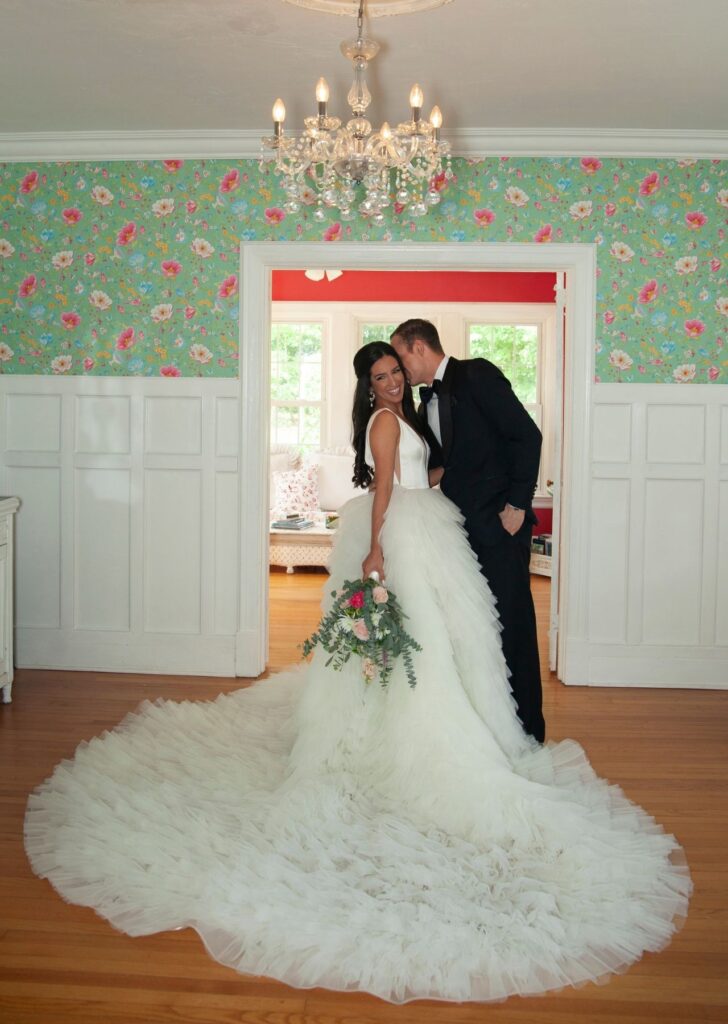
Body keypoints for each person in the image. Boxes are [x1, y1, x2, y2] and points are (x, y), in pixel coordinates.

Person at [24, 343, 690, 1005]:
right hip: (400, 534)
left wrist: (456, 478)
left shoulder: (412, 415)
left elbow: (423, 472)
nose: (393, 381)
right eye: (381, 376)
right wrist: (376, 550)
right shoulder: (383, 422)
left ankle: (447, 722)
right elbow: (384, 490)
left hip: (430, 527)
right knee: (422, 648)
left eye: (396, 372)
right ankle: (418, 738)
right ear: (368, 386)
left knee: (444, 643)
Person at [391, 319, 545, 742]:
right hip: (458, 533)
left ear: (418, 347)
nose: (400, 370)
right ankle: (492, 726)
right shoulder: (424, 403)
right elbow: (449, 466)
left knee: (512, 626)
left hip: (500, 525)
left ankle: (529, 732)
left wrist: (518, 505)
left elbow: (527, 436)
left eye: (400, 358)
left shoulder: (476, 374)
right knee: (478, 630)